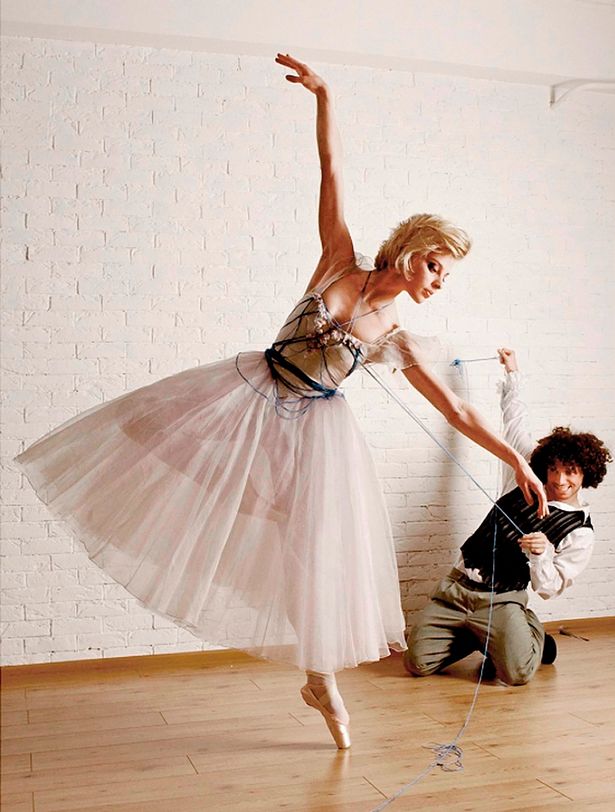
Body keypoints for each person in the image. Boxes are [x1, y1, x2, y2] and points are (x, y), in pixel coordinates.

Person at [14, 55, 548, 750]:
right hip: (251, 390)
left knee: (310, 552)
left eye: (447, 274)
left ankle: (318, 676)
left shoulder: (397, 335)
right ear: (410, 250)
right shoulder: (339, 261)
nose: (438, 281)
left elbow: (455, 411)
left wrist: (517, 459)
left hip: (314, 428)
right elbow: (331, 170)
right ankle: (295, 652)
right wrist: (324, 97)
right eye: (435, 265)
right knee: (148, 443)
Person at [404, 348, 611, 685]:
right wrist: (512, 371)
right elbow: (515, 420)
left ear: (586, 473)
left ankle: (532, 638)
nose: (559, 480)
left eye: (571, 472)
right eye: (554, 469)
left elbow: (549, 588)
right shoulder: (524, 474)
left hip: (501, 599)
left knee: (516, 674)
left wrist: (541, 554)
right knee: (417, 663)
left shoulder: (580, 532)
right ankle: (484, 638)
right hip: (456, 589)